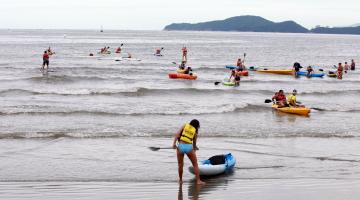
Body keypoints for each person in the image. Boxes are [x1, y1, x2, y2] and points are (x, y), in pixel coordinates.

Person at [172, 119, 204, 185]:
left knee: (180, 165)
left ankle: (180, 180)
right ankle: (198, 181)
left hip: (180, 146)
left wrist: (174, 144)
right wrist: (194, 150)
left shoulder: (185, 125)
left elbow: (177, 135)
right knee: (195, 165)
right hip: (189, 147)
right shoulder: (195, 131)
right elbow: (194, 144)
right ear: (196, 126)